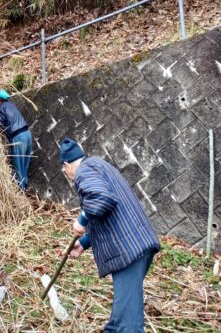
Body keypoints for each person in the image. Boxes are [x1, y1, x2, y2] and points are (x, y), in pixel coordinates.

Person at [59, 138, 160, 333]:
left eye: (64, 169)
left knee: (128, 327)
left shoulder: (83, 172)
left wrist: (80, 221)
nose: (65, 173)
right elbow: (108, 211)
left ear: (67, 165)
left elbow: (101, 198)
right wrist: (84, 242)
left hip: (128, 252)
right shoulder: (99, 165)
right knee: (119, 319)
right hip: (137, 245)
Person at [0, 89, 32, 190]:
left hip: (18, 137)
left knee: (18, 164)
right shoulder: (12, 106)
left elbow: (0, 126)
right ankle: (25, 185)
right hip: (27, 134)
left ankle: (21, 190)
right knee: (25, 162)